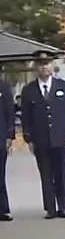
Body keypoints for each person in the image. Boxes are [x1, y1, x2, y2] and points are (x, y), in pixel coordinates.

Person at [20, 59, 65, 220]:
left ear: (52, 66)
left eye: (47, 64)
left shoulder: (64, 87)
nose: (44, 67)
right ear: (36, 68)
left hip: (60, 137)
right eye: (41, 64)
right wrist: (28, 138)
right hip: (40, 139)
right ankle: (50, 208)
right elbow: (26, 116)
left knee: (61, 173)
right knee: (45, 174)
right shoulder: (29, 90)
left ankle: (63, 206)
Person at [0, 77, 15, 222]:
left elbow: (9, 111)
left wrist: (9, 135)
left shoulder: (3, 87)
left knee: (0, 175)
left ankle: (3, 208)